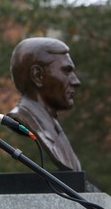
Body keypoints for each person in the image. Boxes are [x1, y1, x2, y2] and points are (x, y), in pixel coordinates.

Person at [7, 37, 82, 171]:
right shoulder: (25, 120)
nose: (75, 81)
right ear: (38, 76)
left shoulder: (53, 127)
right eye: (66, 71)